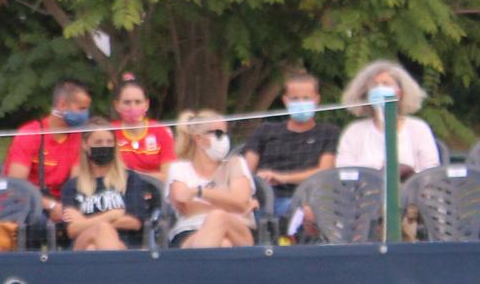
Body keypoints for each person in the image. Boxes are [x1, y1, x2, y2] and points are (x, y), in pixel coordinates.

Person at [241, 70, 339, 224]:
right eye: (295, 99)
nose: (300, 103)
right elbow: (244, 171)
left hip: (307, 201)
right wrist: (257, 185)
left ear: (317, 100)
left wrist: (283, 178)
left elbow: (324, 172)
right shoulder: (265, 130)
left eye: (306, 98)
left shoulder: (328, 132)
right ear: (285, 101)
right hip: (264, 201)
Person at [56, 120, 159, 250]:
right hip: (82, 243)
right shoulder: (72, 186)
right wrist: (110, 216)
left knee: (93, 247)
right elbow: (72, 230)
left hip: (124, 244)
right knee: (101, 229)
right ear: (85, 145)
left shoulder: (130, 179)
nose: (104, 146)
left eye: (109, 142)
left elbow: (134, 222)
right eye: (98, 142)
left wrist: (84, 221)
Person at [166, 110, 257, 248]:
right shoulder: (179, 168)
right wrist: (230, 204)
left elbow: (241, 203)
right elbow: (185, 205)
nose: (225, 139)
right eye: (219, 133)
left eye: (226, 133)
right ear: (199, 139)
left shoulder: (236, 163)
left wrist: (200, 192)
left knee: (218, 217)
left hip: (236, 230)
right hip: (190, 231)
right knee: (224, 244)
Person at [334, 60, 438, 178]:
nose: (379, 89)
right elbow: (344, 173)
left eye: (386, 84)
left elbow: (431, 172)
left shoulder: (419, 128)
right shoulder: (354, 131)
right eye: (374, 85)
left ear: (399, 93)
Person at [5, 80, 91, 209]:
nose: (85, 115)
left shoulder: (78, 137)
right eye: (81, 109)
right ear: (62, 105)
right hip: (24, 204)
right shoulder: (30, 134)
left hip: (61, 204)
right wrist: (51, 206)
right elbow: (16, 187)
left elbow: (75, 183)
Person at [111, 73, 175, 176]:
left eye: (138, 102)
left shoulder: (161, 131)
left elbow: (167, 176)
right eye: (127, 102)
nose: (133, 107)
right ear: (117, 105)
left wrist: (133, 176)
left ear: (146, 104)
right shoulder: (110, 131)